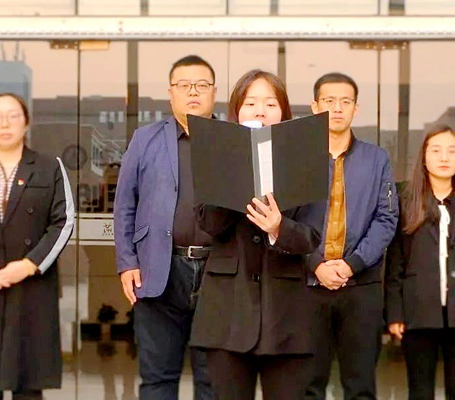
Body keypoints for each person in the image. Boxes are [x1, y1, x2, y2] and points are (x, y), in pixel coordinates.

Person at [190, 69, 322, 400]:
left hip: (286, 316)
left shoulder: (305, 159)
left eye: (270, 104)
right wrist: (234, 171)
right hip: (227, 313)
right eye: (250, 103)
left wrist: (279, 228)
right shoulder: (216, 156)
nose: (260, 111)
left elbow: (312, 236)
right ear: (237, 112)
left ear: (284, 113)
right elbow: (210, 223)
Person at [114, 55, 216, 400]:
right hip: (159, 269)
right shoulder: (145, 139)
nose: (193, 92)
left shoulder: (231, 141)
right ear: (171, 93)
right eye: (184, 85)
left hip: (219, 274)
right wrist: (127, 262)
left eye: (201, 85)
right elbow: (125, 205)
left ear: (214, 92)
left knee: (214, 381)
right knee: (157, 379)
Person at [304, 73, 399, 400]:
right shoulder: (297, 157)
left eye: (345, 102)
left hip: (360, 286)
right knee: (307, 386)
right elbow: (285, 221)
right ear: (315, 106)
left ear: (356, 109)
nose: (337, 108)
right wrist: (315, 263)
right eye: (329, 101)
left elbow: (386, 219)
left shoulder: (377, 159)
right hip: (307, 286)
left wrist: (351, 264)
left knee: (360, 387)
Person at [385, 126, 455, 400]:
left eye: (451, 151)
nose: (444, 157)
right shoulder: (407, 202)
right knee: (420, 390)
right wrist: (395, 312)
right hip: (418, 311)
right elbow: (396, 263)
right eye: (436, 150)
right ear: (424, 157)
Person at [0, 93, 75, 400]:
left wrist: (31, 264)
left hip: (31, 287)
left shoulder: (49, 167)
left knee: (29, 384)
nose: (5, 124)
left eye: (13, 116)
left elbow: (64, 222)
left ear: (26, 122)